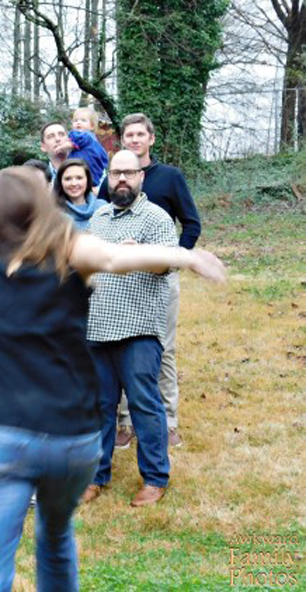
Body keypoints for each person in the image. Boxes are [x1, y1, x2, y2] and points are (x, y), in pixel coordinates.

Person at [0, 166, 225, 590]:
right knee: (53, 538)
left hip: (1, 434)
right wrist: (187, 255)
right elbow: (115, 258)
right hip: (71, 435)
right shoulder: (69, 247)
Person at [82, 150, 183, 507]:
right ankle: (95, 476)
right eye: (115, 173)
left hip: (139, 328)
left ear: (141, 176)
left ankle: (155, 478)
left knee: (144, 404)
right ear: (108, 178)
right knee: (99, 407)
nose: (121, 179)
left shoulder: (156, 218)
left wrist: (138, 252)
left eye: (128, 172)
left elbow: (166, 265)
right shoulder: (99, 217)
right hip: (97, 328)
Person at [98, 113, 202, 449]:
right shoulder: (111, 181)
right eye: (129, 135)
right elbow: (102, 221)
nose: (135, 139)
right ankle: (126, 423)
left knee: (162, 349)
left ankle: (169, 421)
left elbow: (191, 224)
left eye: (141, 134)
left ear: (151, 139)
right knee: (122, 349)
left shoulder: (169, 177)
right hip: (120, 285)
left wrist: (173, 259)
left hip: (159, 278)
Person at [53, 158, 108, 231]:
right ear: (60, 182)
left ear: (87, 180)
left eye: (79, 178)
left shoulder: (103, 208)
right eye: (68, 179)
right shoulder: (53, 214)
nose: (74, 183)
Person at [70, 106, 110, 187]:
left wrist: (65, 143)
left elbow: (76, 138)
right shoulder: (94, 141)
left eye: (83, 120)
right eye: (75, 120)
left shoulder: (86, 136)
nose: (78, 122)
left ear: (92, 126)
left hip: (86, 175)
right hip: (91, 176)